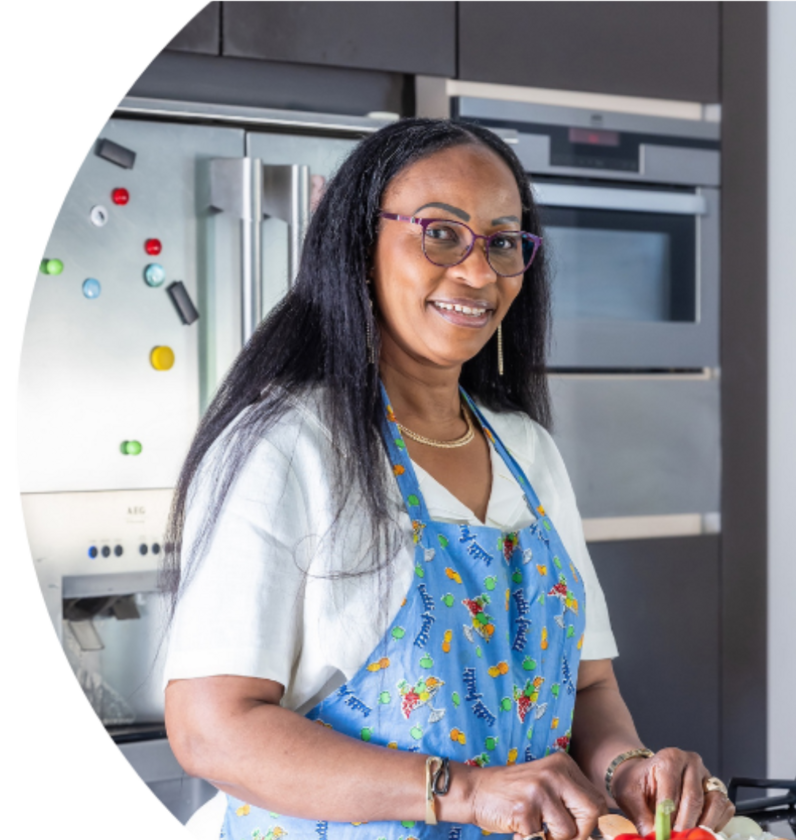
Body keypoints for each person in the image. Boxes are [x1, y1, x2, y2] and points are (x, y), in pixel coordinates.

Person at [162, 119, 734, 840]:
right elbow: (212, 729)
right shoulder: (289, 447)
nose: (477, 272)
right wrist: (464, 793)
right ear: (358, 243)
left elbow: (588, 689)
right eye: (441, 233)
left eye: (502, 242)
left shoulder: (526, 451)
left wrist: (631, 770)